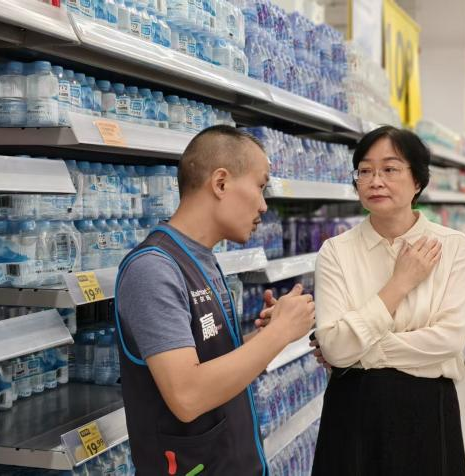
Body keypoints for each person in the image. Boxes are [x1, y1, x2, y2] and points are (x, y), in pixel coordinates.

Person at [114, 125, 315, 476]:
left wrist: (266, 336)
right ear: (220, 183)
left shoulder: (202, 259)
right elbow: (187, 396)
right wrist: (278, 334)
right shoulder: (153, 269)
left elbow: (213, 363)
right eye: (260, 186)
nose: (263, 205)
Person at [310, 126, 465, 476]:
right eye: (365, 171)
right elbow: (335, 347)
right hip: (352, 407)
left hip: (427, 406)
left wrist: (359, 351)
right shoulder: (335, 251)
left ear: (417, 180)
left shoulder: (453, 247)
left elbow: (449, 339)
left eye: (389, 169)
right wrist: (400, 283)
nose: (375, 181)